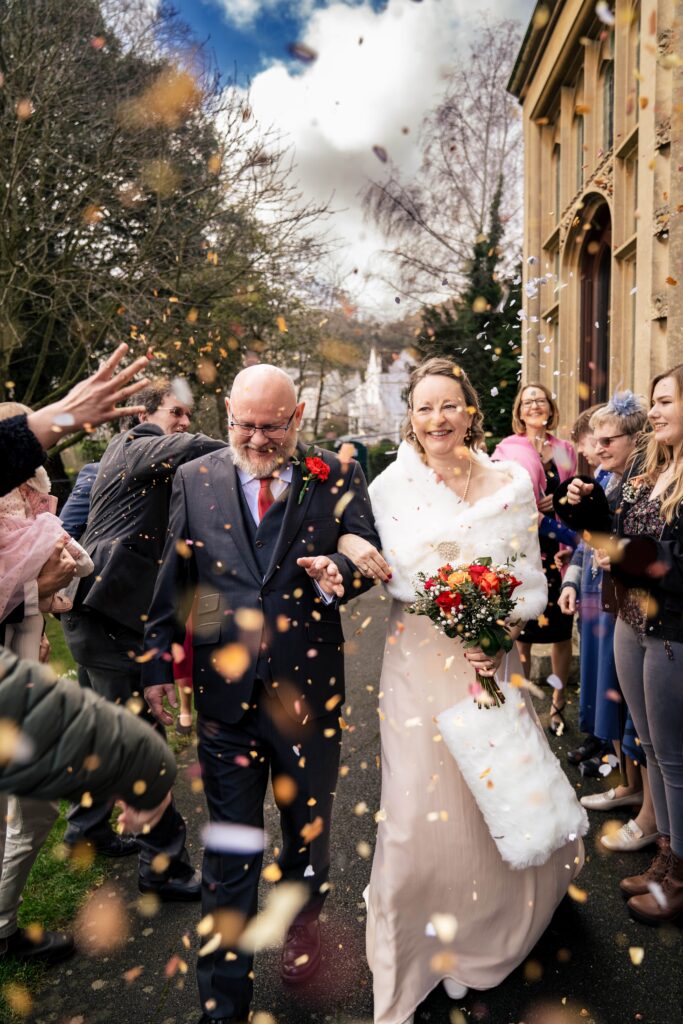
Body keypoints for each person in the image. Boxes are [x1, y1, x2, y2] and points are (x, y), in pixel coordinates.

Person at [340, 357, 583, 1024]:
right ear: (409, 420)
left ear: (471, 411)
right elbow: (352, 540)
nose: (436, 419)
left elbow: (528, 580)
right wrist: (345, 547)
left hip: (488, 660)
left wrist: (501, 632)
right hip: (415, 659)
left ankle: (482, 932)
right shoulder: (388, 487)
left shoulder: (506, 484)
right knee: (419, 804)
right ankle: (420, 948)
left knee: (488, 793)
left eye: (448, 405)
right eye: (423, 408)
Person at [141, 363, 380, 1024]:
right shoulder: (194, 477)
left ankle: (302, 930)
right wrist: (162, 659)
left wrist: (341, 573)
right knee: (230, 850)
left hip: (308, 695)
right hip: (227, 702)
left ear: (297, 416)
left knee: (305, 837)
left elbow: (368, 556)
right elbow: (184, 575)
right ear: (227, 412)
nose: (254, 439)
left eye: (270, 427)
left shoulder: (336, 476)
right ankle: (224, 1000)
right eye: (243, 424)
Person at [61, 379, 225, 886]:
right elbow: (194, 446)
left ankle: (86, 832)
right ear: (145, 414)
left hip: (94, 617)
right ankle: (164, 869)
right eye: (175, 412)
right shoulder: (134, 446)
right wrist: (251, 439)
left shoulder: (144, 464)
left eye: (187, 414)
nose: (184, 422)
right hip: (107, 621)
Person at [556, 364, 683, 924]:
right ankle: (667, 852)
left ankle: (680, 874)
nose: (652, 412)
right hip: (631, 622)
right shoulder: (649, 471)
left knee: (676, 758)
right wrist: (584, 508)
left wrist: (632, 556)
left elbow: (664, 559)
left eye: (664, 401)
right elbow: (611, 534)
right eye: (653, 402)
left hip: (674, 630)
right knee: (651, 748)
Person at [558, 395, 656, 854]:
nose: (595, 450)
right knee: (615, 702)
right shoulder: (606, 480)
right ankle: (630, 786)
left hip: (642, 612)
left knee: (643, 722)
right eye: (593, 442)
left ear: (637, 440)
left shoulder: (645, 484)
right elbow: (589, 540)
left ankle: (654, 819)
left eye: (606, 440)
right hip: (608, 601)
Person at [493, 383, 577, 735]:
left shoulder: (563, 450)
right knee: (522, 632)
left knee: (560, 634)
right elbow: (500, 494)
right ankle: (521, 707)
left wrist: (559, 507)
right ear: (519, 410)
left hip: (558, 551)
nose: (534, 405)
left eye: (540, 400)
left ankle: (557, 706)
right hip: (524, 550)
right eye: (527, 401)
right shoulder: (509, 448)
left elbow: (572, 495)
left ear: (550, 407)